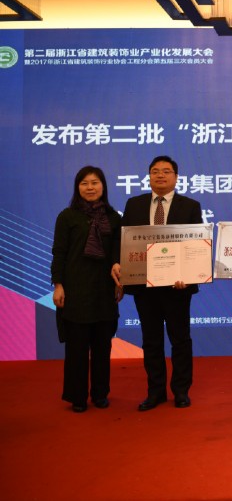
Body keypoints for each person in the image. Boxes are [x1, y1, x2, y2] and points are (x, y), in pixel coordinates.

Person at [112, 155, 202, 411]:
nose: (160, 175)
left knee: (180, 339)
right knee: (151, 340)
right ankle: (156, 391)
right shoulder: (134, 204)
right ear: (149, 176)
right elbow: (123, 240)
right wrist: (118, 263)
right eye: (155, 171)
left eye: (166, 171)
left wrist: (190, 275)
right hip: (144, 285)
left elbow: (196, 245)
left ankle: (181, 391)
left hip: (177, 286)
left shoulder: (190, 206)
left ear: (176, 177)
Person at [51, 166, 122, 412]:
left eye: (95, 182)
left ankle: (100, 394)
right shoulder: (67, 216)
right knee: (77, 349)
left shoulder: (114, 218)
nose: (90, 187)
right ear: (77, 187)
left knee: (102, 347)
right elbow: (59, 253)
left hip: (104, 290)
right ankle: (77, 397)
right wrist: (58, 284)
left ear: (103, 186)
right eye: (84, 183)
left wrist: (120, 281)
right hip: (75, 290)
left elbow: (118, 254)